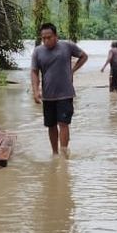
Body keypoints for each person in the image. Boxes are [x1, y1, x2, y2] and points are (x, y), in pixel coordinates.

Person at [31, 22, 88, 154]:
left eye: (49, 37)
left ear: (56, 36)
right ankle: (55, 153)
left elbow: (84, 56)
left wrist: (72, 70)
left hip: (65, 94)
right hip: (48, 95)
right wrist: (36, 91)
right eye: (43, 38)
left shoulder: (67, 46)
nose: (46, 40)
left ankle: (63, 154)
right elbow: (34, 71)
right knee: (51, 125)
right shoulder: (38, 51)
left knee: (63, 123)